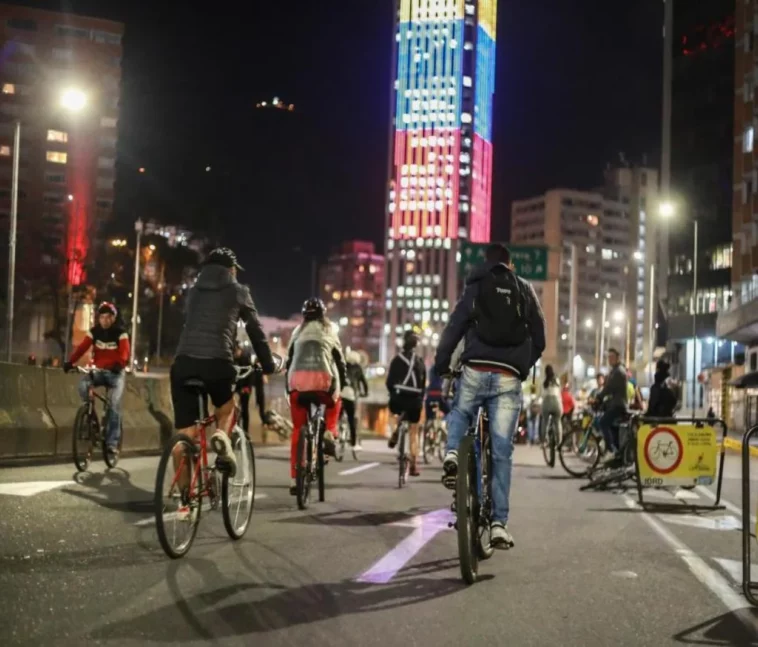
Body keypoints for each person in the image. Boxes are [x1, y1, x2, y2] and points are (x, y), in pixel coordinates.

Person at [434, 243, 546, 548]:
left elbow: (455, 326)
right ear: (510, 265)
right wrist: (521, 364)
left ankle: (454, 452)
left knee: (460, 412)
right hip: (508, 376)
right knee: (501, 451)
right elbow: (540, 336)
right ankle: (498, 524)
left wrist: (442, 363)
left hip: (475, 369)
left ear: (487, 263)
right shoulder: (523, 289)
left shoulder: (475, 286)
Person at [171, 247, 276, 478]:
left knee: (184, 434)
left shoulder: (194, 292)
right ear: (231, 270)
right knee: (228, 409)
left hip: (183, 363)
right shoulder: (239, 291)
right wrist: (268, 364)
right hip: (217, 362)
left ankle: (185, 505)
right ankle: (220, 436)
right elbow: (255, 331)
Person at [286, 298, 346, 495]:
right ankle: (329, 431)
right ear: (323, 314)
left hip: (297, 385)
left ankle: (296, 480)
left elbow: (288, 361)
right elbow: (340, 361)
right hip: (323, 384)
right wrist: (342, 385)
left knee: (298, 429)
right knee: (335, 402)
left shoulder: (297, 332)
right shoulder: (330, 331)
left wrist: (289, 388)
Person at [64, 302, 130, 458]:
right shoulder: (94, 332)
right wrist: (71, 362)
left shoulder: (121, 333)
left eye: (108, 317)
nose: (105, 320)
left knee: (114, 404)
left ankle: (112, 443)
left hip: (115, 374)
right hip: (99, 371)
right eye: (102, 317)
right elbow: (82, 348)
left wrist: (119, 364)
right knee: (83, 385)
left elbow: (125, 354)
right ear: (99, 318)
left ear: (113, 318)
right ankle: (90, 417)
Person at [386, 329, 427, 476]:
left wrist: (393, 393)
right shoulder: (420, 362)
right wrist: (419, 400)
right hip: (414, 401)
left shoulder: (396, 360)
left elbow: (389, 382)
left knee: (392, 410)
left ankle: (395, 431)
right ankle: (414, 465)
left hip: (398, 399)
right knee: (413, 431)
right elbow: (422, 386)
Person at [596, 348, 628, 460]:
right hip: (615, 404)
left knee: (603, 422)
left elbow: (609, 388)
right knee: (613, 429)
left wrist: (599, 397)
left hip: (618, 405)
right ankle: (617, 454)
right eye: (608, 357)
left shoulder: (619, 371)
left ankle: (610, 450)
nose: (610, 359)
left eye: (612, 357)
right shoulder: (615, 370)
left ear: (617, 358)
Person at [341, 350, 369, 450]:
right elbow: (364, 382)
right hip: (351, 394)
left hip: (340, 393)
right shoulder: (358, 368)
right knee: (351, 419)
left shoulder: (343, 366)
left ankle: (338, 431)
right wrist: (365, 393)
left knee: (338, 414)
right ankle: (353, 444)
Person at [540, 365, 562, 444]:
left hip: (546, 402)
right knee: (557, 422)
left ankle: (543, 441)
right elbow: (559, 393)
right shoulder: (557, 380)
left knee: (544, 421)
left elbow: (542, 394)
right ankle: (559, 442)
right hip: (556, 402)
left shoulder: (544, 381)